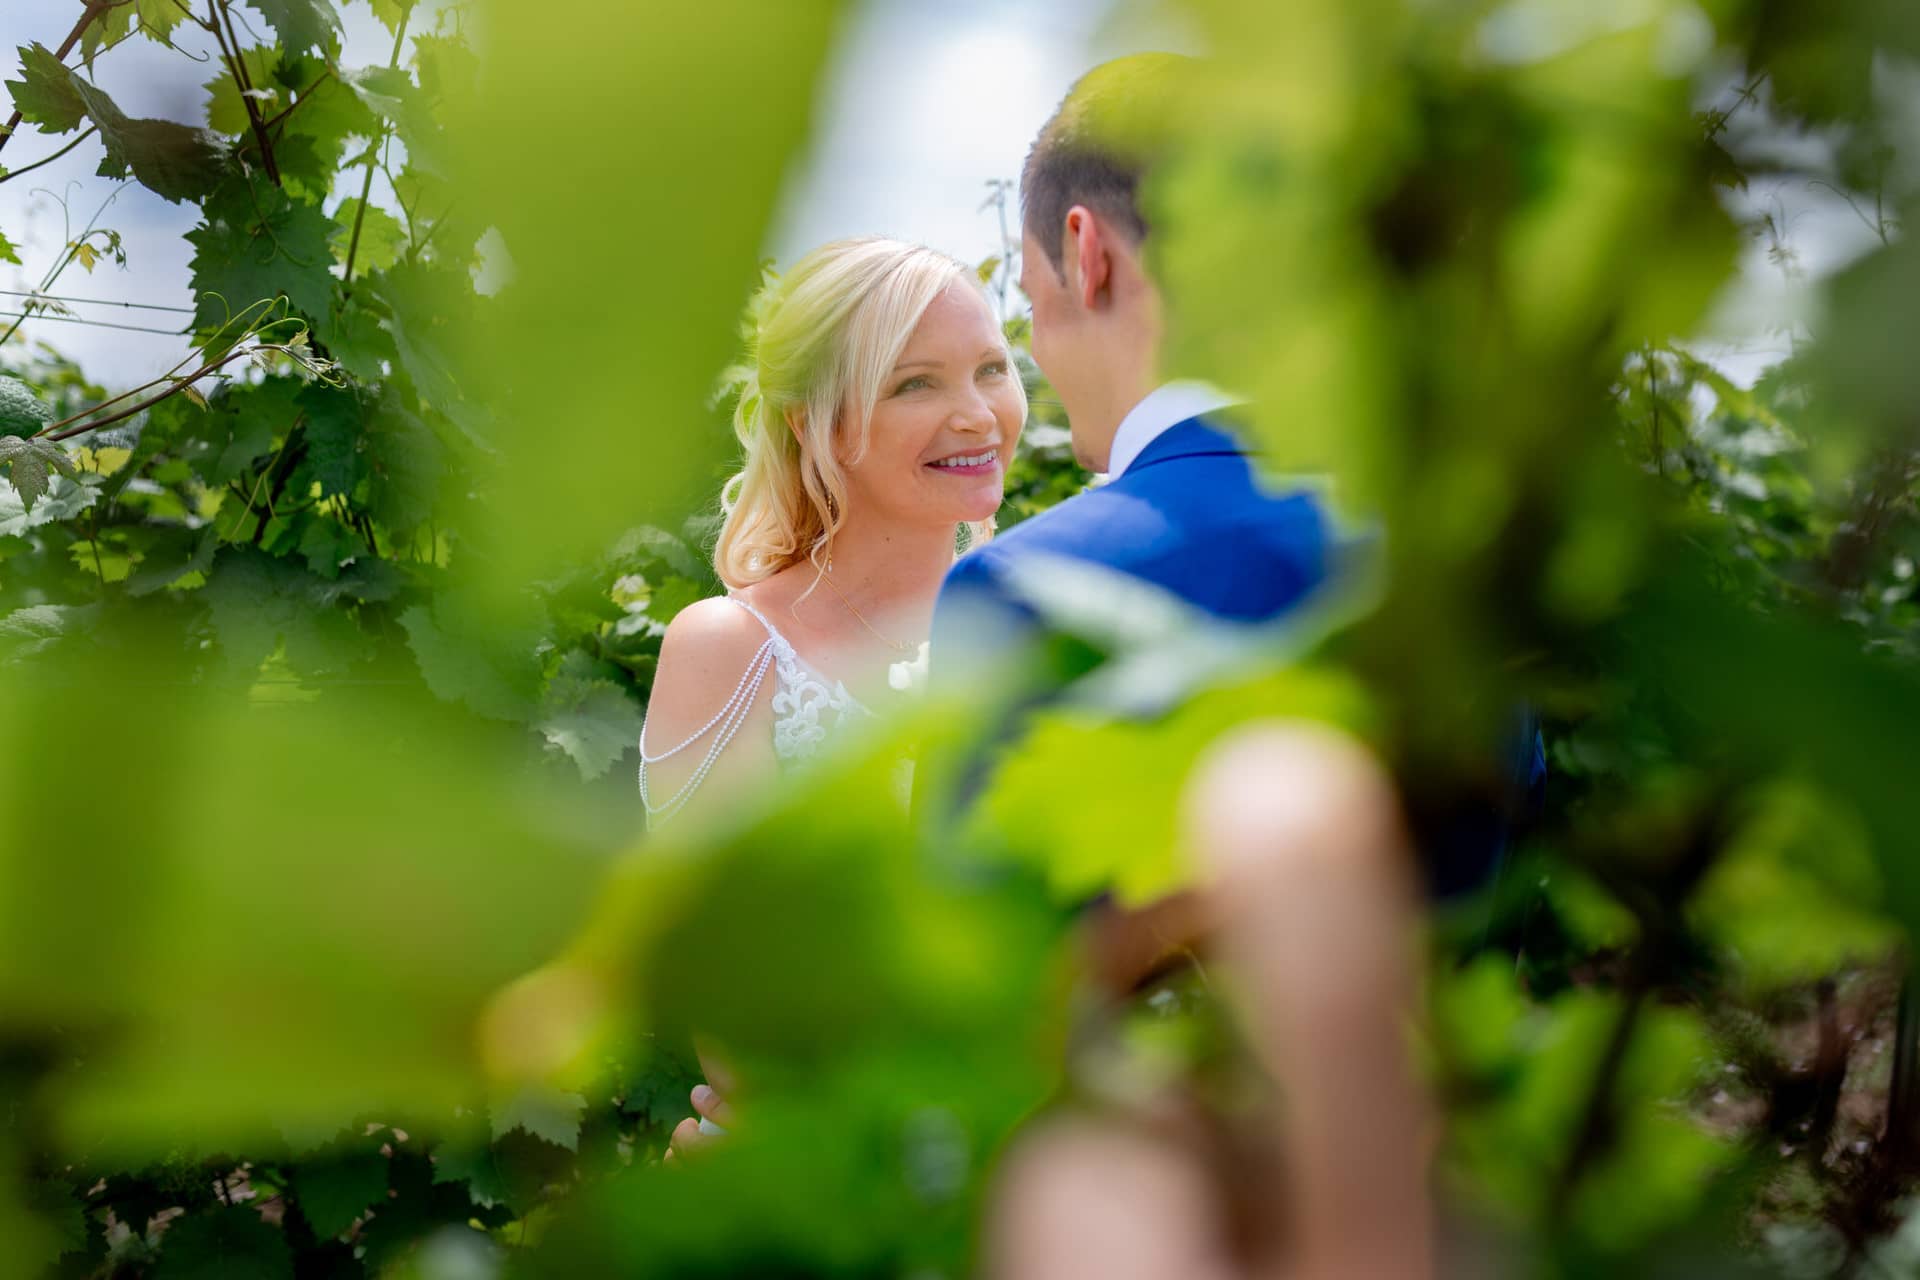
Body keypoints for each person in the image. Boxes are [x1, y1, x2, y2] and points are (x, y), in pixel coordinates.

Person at [638, 236, 1027, 829]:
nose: (978, 415)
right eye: (916, 384)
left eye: (991, 369)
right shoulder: (733, 651)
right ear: (817, 424)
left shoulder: (1035, 624)